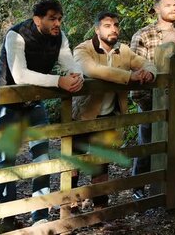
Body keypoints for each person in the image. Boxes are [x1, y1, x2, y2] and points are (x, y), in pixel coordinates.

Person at [0, 0, 83, 229]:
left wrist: (76, 76)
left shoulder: (60, 37)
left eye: (60, 19)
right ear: (37, 19)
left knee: (42, 157)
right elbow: (20, 75)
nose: (57, 23)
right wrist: (59, 81)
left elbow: (70, 63)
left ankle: (39, 215)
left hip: (34, 102)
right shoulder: (16, 35)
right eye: (52, 19)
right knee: (7, 159)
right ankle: (7, 216)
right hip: (6, 102)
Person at [71, 11, 157, 210]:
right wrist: (130, 76)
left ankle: (100, 208)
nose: (114, 29)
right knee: (73, 162)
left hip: (108, 116)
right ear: (97, 29)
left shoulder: (123, 51)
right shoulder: (82, 49)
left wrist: (149, 73)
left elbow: (147, 63)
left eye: (116, 25)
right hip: (82, 116)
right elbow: (92, 70)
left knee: (101, 162)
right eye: (107, 25)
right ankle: (70, 203)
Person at [129, 0, 175, 200]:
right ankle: (138, 187)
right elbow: (135, 67)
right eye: (168, 5)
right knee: (146, 144)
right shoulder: (143, 35)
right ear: (156, 9)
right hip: (150, 100)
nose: (174, 8)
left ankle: (171, 187)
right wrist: (144, 102)